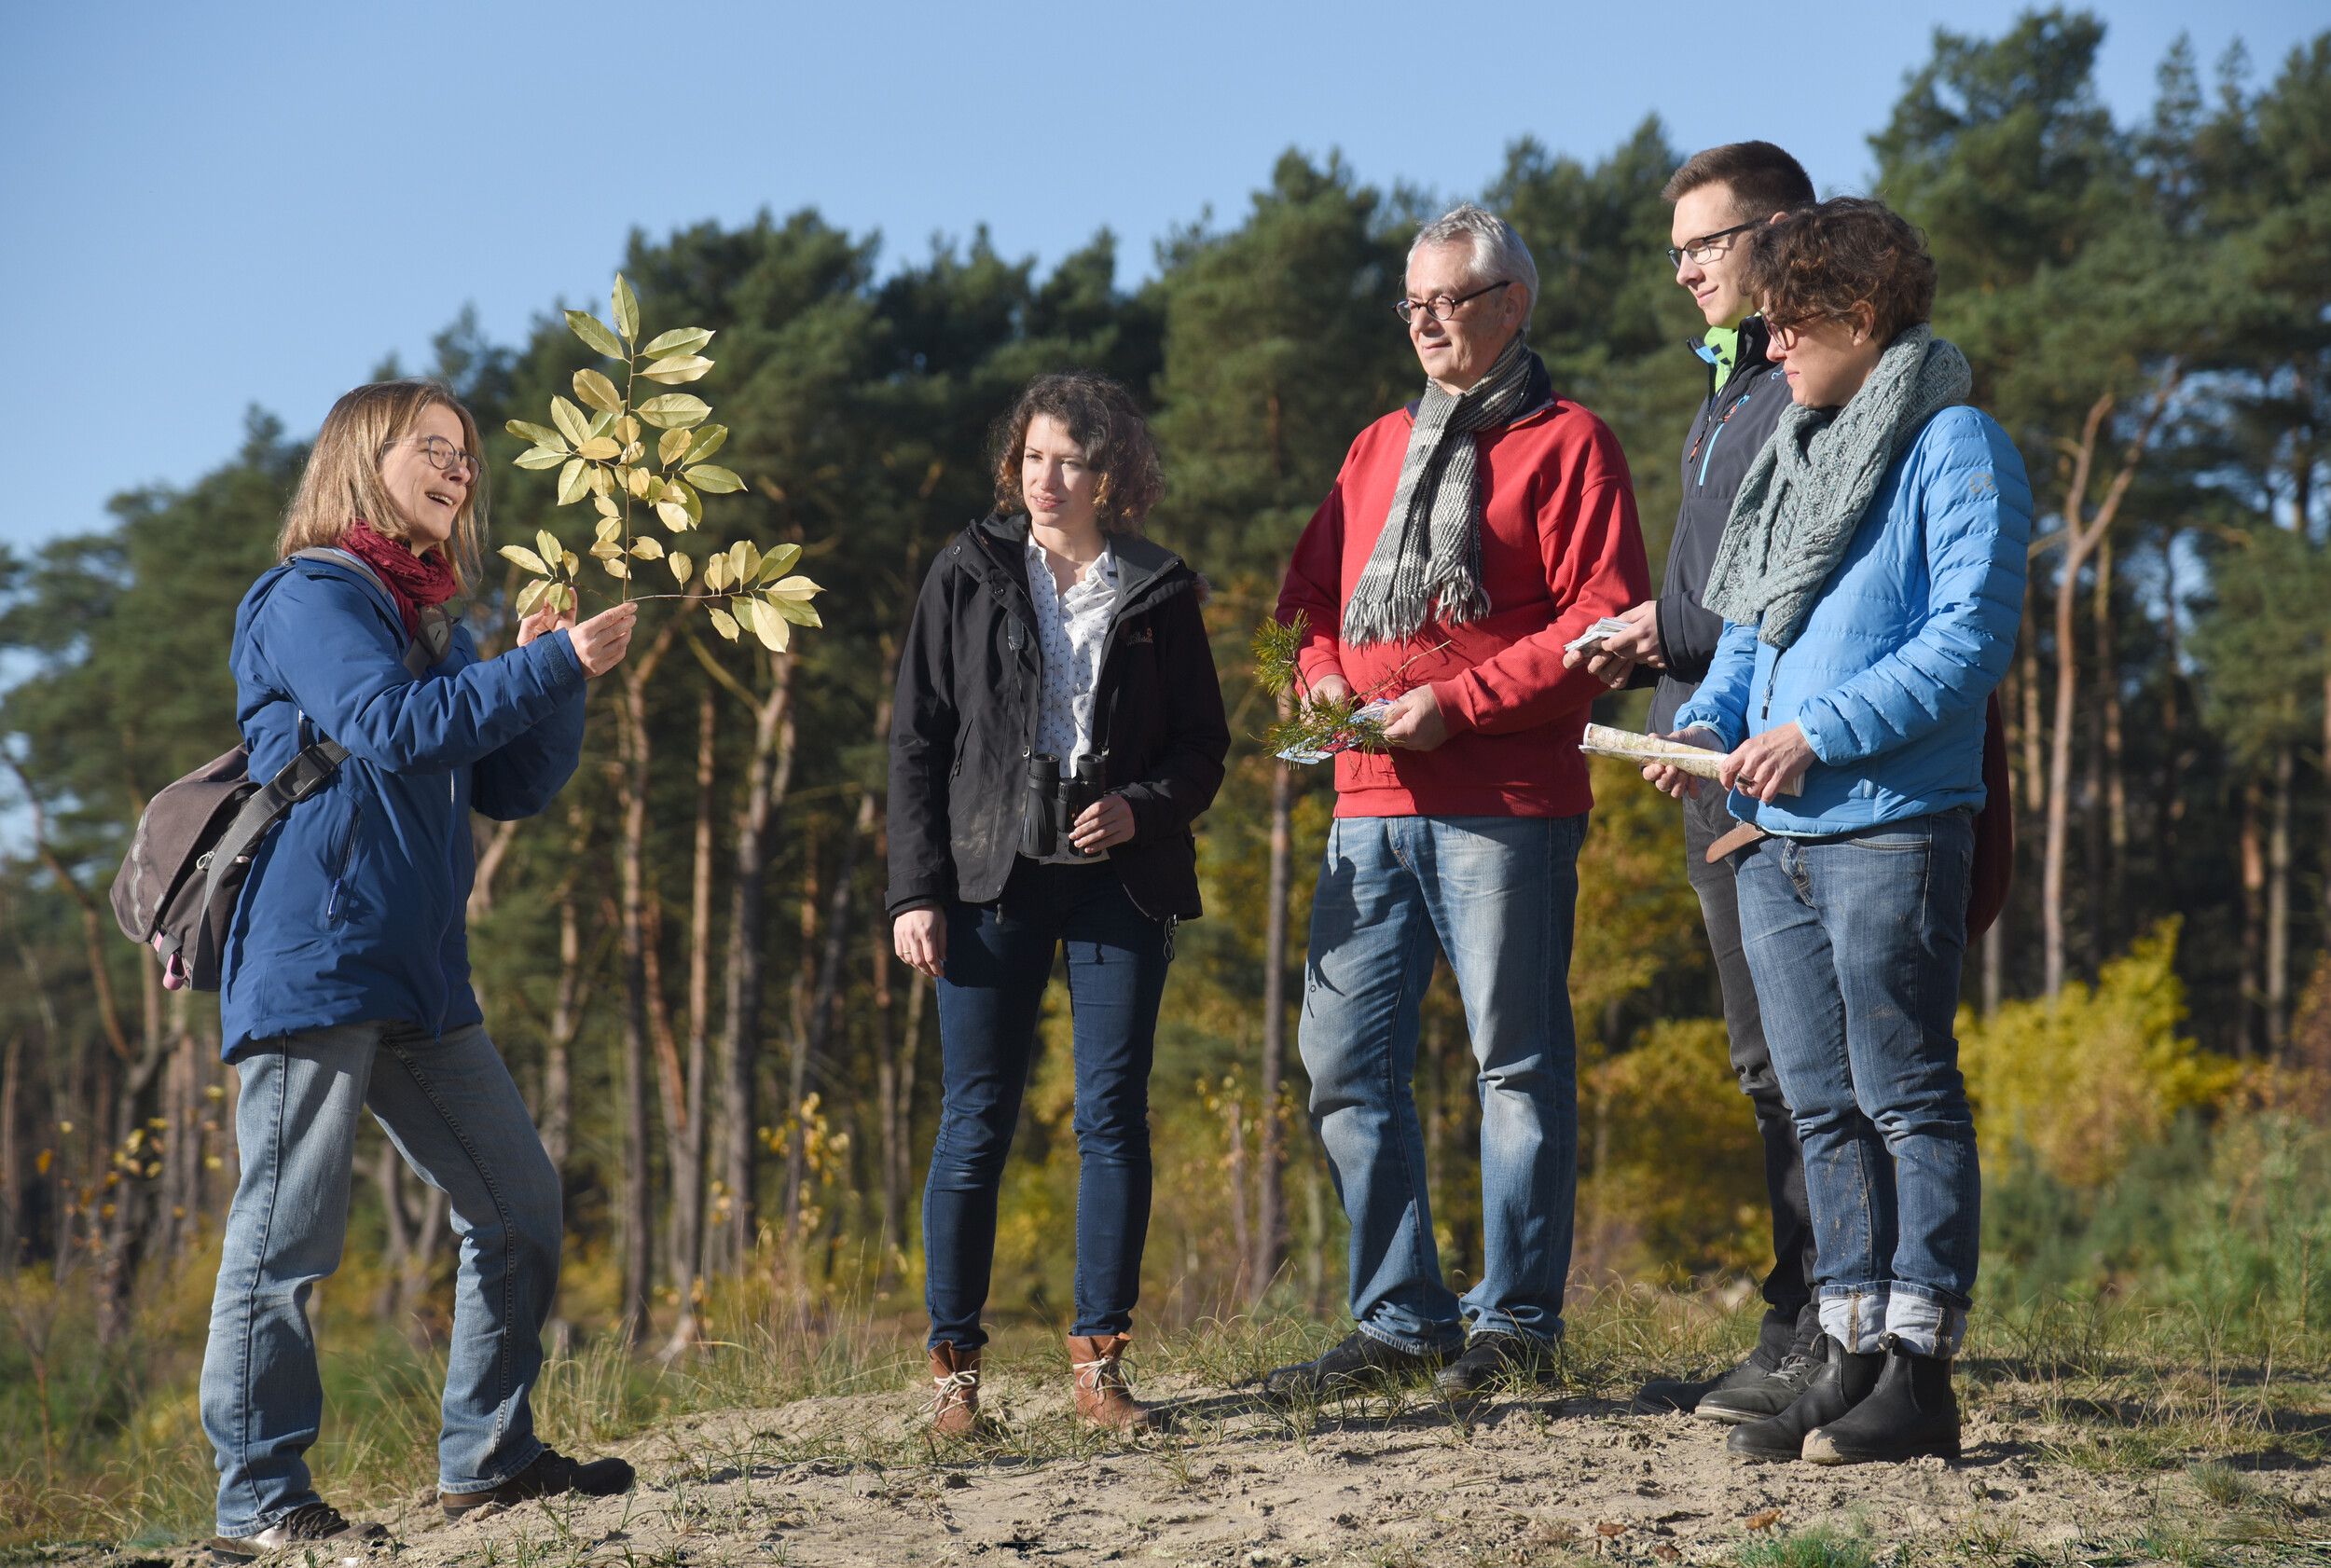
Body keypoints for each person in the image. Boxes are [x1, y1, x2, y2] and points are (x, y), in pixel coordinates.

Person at [200, 380, 641, 1561]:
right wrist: (540, 668)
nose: (457, 470)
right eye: (430, 449)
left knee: (518, 1205)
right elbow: (394, 728)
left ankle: (487, 1460)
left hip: (419, 974)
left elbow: (507, 787)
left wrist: (553, 669)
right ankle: (259, 1495)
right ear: (362, 461)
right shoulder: (311, 597)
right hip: (316, 956)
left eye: (465, 456)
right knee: (287, 1233)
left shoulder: (429, 625)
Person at [1650, 198, 2031, 1465]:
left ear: (1859, 316)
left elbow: (1967, 640)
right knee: (1821, 1107)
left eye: (1786, 323)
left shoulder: (1955, 444)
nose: (1767, 348)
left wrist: (1819, 733)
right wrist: (1706, 727)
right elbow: (1753, 631)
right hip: (1771, 840)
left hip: (1891, 829)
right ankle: (1849, 1349)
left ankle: (1919, 1375)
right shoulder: (1801, 449)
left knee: (1905, 1094)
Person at [1262, 204, 1650, 1400]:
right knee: (1340, 1059)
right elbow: (1307, 606)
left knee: (1515, 1064)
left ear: (1511, 305)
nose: (1426, 321)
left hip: (1506, 800)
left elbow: (1602, 623)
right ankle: (1399, 1319)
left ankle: (1517, 1322)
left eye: (1450, 300)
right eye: (1412, 304)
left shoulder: (1569, 440)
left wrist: (1460, 704)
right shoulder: (1376, 444)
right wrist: (1325, 682)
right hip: (1366, 798)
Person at [888, 371, 1229, 1436]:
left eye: (1070, 460)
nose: (1046, 478)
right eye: (1033, 457)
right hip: (987, 879)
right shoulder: (966, 570)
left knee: (1111, 1116)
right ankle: (955, 1383)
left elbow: (1202, 748)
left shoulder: (1161, 590)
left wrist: (1138, 806)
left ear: (1111, 474)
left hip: (1119, 882)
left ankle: (1100, 1367)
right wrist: (915, 889)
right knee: (975, 1119)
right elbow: (915, 740)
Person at [1565, 141, 1826, 1424]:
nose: (1683, 273)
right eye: (1674, 252)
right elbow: (1712, 589)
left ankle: (1827, 1326)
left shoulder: (1809, 388)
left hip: (1780, 768)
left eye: (1704, 246)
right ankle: (1801, 1316)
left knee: (1805, 1058)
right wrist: (1651, 633)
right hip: (1700, 760)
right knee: (1760, 1058)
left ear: (1782, 236)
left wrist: (1665, 636)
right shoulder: (1725, 390)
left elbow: (1786, 593)